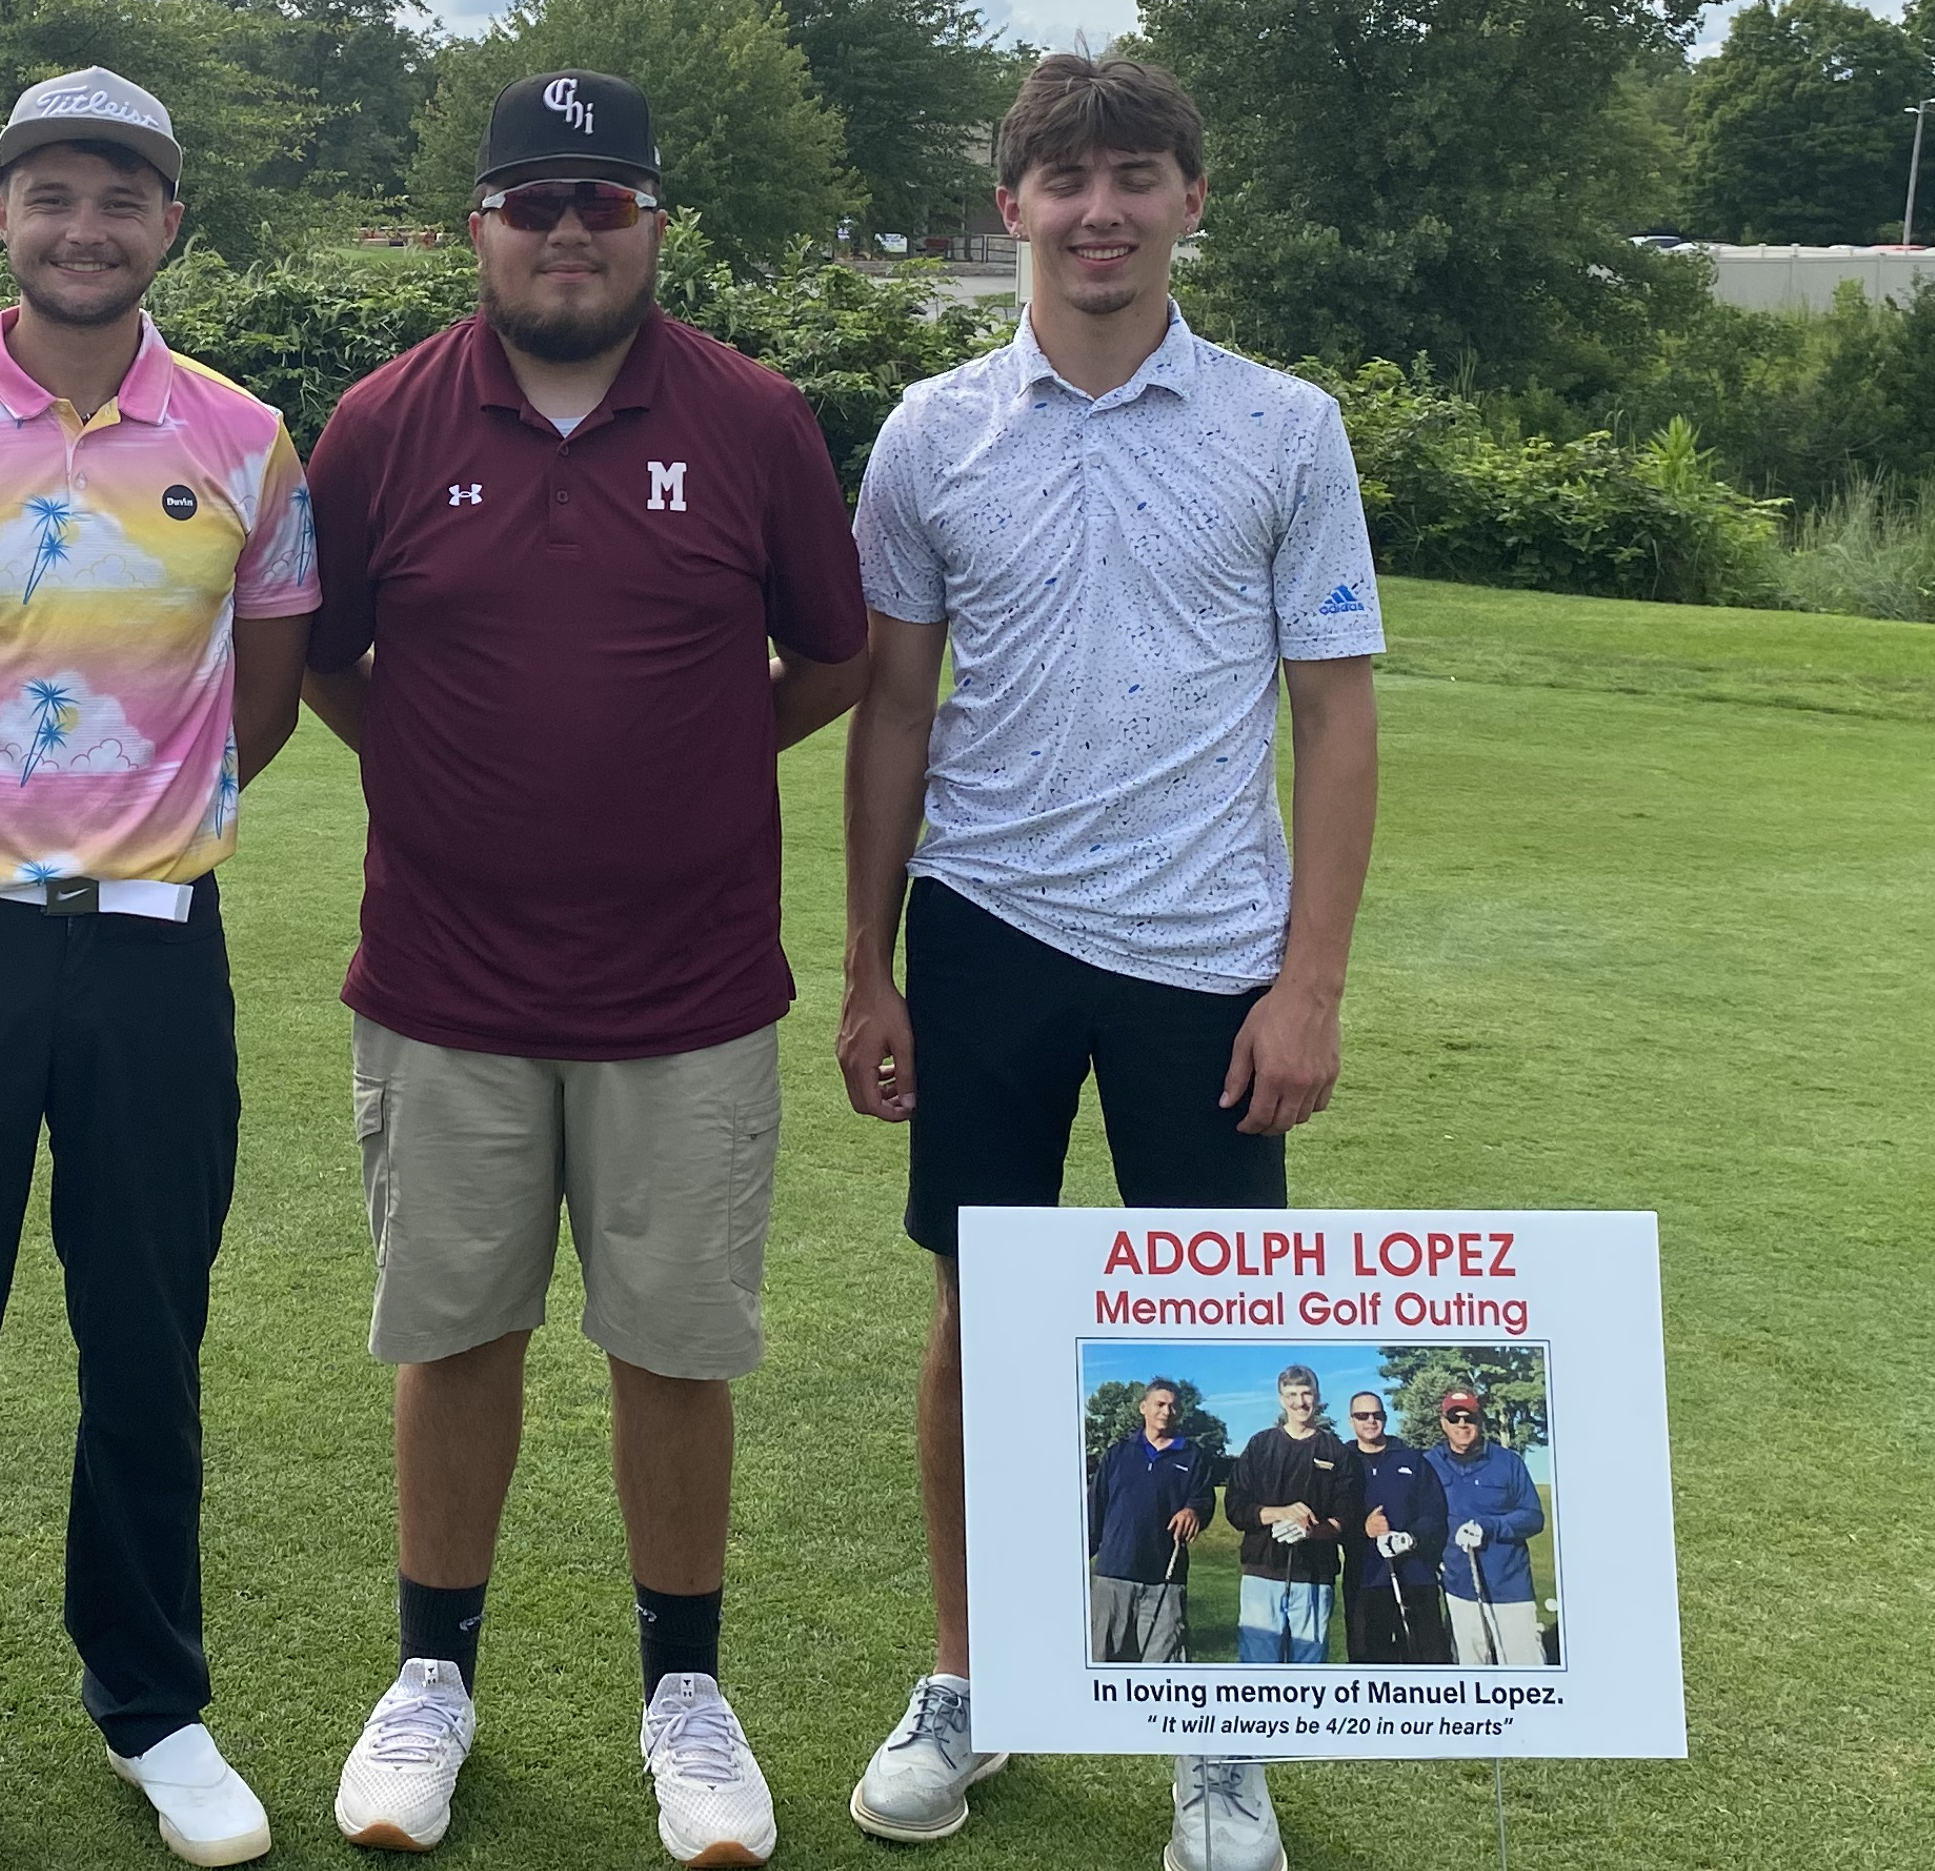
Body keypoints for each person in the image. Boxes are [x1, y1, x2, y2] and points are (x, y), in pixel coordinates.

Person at [297, 67, 869, 1869]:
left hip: (685, 997)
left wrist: (683, 770)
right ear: (476, 224)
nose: (564, 231)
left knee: (671, 1347)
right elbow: (321, 658)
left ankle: (684, 1695)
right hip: (444, 986)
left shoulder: (754, 417)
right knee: (457, 1333)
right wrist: (443, 765)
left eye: (599, 203)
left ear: (652, 226)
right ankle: (432, 1679)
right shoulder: (381, 423)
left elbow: (832, 661)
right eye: (530, 200)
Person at [832, 51, 1383, 1870]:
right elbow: (893, 714)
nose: (1098, 211)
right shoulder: (928, 432)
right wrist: (867, 961)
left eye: (1134, 175)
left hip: (1209, 958)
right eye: (1062, 180)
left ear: (1188, 201)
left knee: (1217, 1344)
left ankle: (1213, 1743)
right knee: (980, 1320)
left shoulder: (1284, 427)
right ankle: (975, 1685)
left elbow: (1335, 719)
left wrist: (1305, 982)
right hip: (982, 933)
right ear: (1009, 208)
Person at [0, 65, 317, 1871]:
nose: (83, 227)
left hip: (161, 959)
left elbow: (266, 695)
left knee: (145, 1346)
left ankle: (154, 1702)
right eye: (49, 196)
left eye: (120, 198)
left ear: (170, 224)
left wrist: (128, 837)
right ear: (0, 219)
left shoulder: (246, 441)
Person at [1223, 1367, 1357, 1664]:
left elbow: (1345, 1516)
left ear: (1317, 1397)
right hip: (1262, 1573)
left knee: (1309, 1669)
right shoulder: (1261, 1445)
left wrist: (1313, 1531)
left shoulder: (1335, 1451)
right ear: (1282, 1400)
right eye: (1292, 1395)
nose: (1300, 1402)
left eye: (1306, 1393)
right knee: (1259, 1668)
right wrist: (1279, 1514)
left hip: (1314, 1576)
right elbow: (1236, 1507)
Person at [1085, 1380, 1214, 1663]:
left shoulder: (1192, 1456)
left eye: (1173, 1406)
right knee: (1102, 1661)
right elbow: (1094, 1510)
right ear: (1144, 1408)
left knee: (1164, 1669)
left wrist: (1192, 1510)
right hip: (1113, 1574)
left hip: (1164, 1579)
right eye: (1159, 1404)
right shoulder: (1118, 1453)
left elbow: (1204, 1500)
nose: (1166, 1411)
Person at [1425, 1389, 1548, 1665]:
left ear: (1479, 1421)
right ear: (1443, 1423)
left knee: (1524, 1669)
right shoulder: (1429, 1464)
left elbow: (1532, 1516)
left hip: (1509, 1587)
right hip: (1459, 1588)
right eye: (1454, 1418)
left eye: (1469, 1417)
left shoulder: (1508, 1462)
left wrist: (1489, 1526)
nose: (1462, 1425)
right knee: (1470, 1668)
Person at [1343, 1391, 1451, 1665]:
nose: (1370, 1421)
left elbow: (1435, 1513)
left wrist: (1412, 1538)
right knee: (1368, 1662)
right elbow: (1333, 1516)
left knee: (1426, 1661)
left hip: (1415, 1577)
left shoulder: (1411, 1459)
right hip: (1366, 1580)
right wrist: (1362, 1528)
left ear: (1385, 1418)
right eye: (1362, 1415)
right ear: (1351, 1420)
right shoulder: (1343, 1461)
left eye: (1376, 1415)